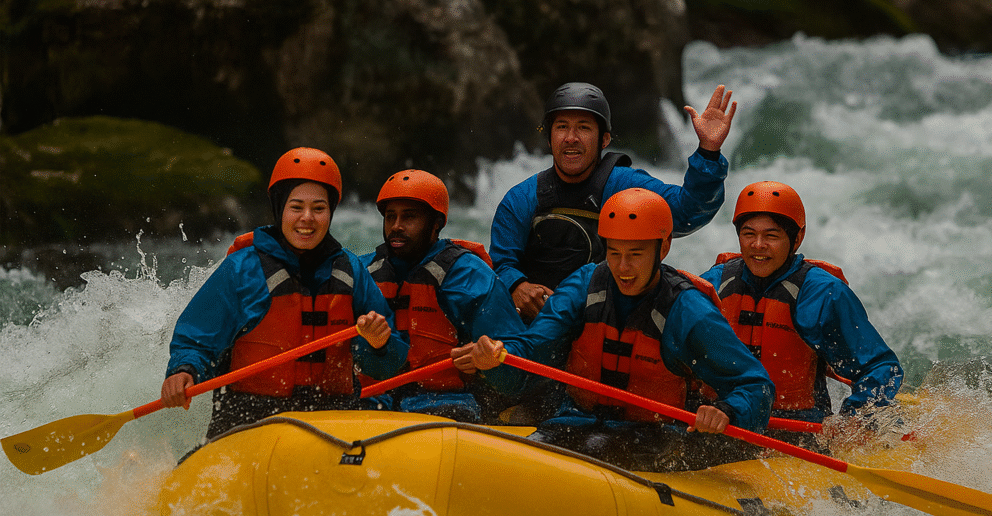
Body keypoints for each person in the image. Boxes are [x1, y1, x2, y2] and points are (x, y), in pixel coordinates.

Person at [459, 188, 775, 472]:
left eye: (635, 255)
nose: (623, 268)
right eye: (614, 253)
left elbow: (756, 385)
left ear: (662, 248)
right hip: (575, 422)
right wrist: (497, 361)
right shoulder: (584, 286)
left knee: (600, 448)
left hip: (655, 437)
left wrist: (727, 411)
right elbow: (531, 355)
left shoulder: (688, 310)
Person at [161, 147, 409, 438]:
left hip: (333, 418)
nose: (308, 218)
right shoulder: (242, 269)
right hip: (253, 417)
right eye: (296, 207)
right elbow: (197, 339)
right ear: (280, 209)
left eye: (319, 208)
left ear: (331, 212)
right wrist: (183, 371)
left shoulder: (350, 271)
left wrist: (379, 343)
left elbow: (391, 361)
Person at [489, 81, 737, 322]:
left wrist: (708, 151)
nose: (571, 138)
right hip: (543, 319)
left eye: (584, 128)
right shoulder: (522, 198)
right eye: (562, 127)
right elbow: (500, 263)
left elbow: (687, 212)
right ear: (549, 138)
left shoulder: (625, 187)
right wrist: (517, 285)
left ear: (604, 140)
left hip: (607, 320)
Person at [701, 181, 903, 441]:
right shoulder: (716, 282)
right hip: (719, 421)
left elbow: (880, 366)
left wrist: (856, 417)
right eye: (748, 234)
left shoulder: (823, 293)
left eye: (771, 236)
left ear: (796, 238)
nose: (757, 245)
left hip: (792, 432)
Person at [359, 169, 525, 422]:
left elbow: (516, 363)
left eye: (409, 217)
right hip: (375, 397)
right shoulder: (363, 270)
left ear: (436, 223)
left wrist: (489, 358)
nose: (396, 226)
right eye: (390, 217)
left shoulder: (470, 276)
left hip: (447, 400)